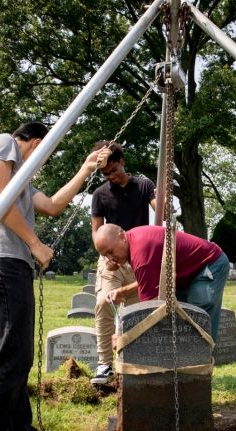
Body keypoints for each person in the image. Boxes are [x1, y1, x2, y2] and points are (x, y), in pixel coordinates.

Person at [0, 121, 110, 431]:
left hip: (10, 266)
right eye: (47, 153)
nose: (45, 160)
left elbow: (52, 206)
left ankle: (20, 427)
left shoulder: (21, 182)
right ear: (36, 144)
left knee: (18, 356)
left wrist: (86, 169)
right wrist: (35, 244)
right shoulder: (5, 141)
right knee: (12, 358)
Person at [89, 140, 156, 384]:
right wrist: (108, 257)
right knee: (103, 302)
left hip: (140, 257)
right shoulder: (100, 194)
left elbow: (159, 212)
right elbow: (96, 232)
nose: (111, 177)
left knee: (141, 310)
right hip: (111, 259)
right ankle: (104, 364)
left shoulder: (144, 184)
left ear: (122, 162)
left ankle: (138, 360)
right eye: (105, 174)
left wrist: (163, 203)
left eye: (114, 170)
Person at [94, 224, 229, 341]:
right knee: (180, 317)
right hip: (186, 274)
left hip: (209, 265)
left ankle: (200, 364)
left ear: (122, 237)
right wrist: (123, 291)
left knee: (195, 316)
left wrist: (124, 336)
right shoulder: (133, 241)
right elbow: (152, 283)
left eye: (111, 252)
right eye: (105, 255)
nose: (110, 259)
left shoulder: (141, 254)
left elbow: (151, 310)